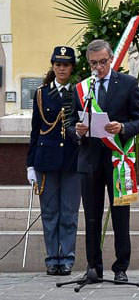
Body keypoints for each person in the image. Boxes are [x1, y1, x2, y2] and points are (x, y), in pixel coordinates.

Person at [67, 39, 139, 283]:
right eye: (93, 64)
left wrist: (122, 126)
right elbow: (70, 124)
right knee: (91, 216)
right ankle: (94, 266)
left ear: (111, 59)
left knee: (120, 215)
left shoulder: (127, 84)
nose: (98, 67)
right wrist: (77, 130)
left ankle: (121, 267)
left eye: (102, 62)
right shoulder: (82, 88)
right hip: (89, 160)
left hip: (117, 160)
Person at [26, 46, 81, 276]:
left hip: (72, 161)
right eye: (57, 64)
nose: (61, 68)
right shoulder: (41, 94)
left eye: (66, 64)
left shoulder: (80, 93)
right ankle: (52, 259)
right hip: (46, 162)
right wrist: (30, 165)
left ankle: (67, 258)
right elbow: (35, 131)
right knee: (49, 214)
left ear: (72, 68)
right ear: (53, 66)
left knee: (69, 213)